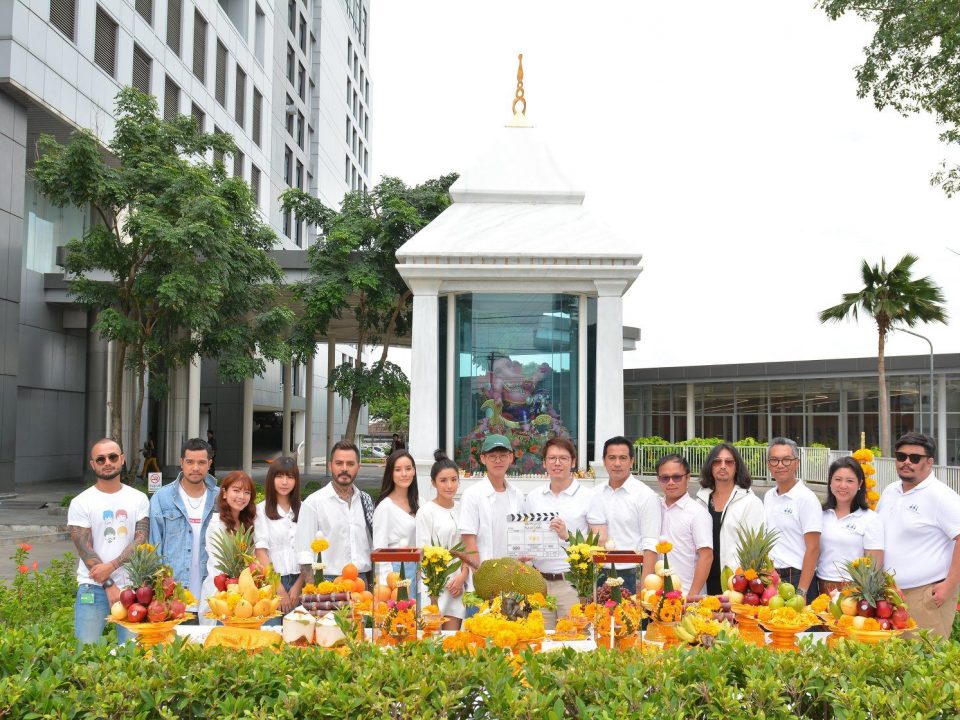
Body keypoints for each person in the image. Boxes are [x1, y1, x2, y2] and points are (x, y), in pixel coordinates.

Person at [877, 431, 960, 639]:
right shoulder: (890, 491)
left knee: (926, 662)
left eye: (914, 458)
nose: (906, 462)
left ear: (929, 462)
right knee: (892, 664)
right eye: (901, 456)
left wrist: (949, 586)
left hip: (924, 597)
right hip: (889, 596)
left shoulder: (941, 496)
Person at [68, 439, 150, 645]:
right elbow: (85, 550)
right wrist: (109, 584)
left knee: (134, 654)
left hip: (133, 588)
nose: (107, 462)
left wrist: (113, 567)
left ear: (122, 460)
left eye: (113, 457)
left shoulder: (138, 499)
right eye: (101, 459)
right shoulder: (81, 502)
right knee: (86, 653)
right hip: (92, 589)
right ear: (92, 464)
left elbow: (140, 539)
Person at [524, 437, 607, 628]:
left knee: (574, 640)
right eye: (552, 458)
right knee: (539, 640)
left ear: (573, 462)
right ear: (544, 463)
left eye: (563, 458)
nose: (557, 463)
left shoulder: (589, 496)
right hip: (539, 583)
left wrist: (568, 536)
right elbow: (528, 535)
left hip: (571, 584)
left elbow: (601, 541)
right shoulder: (534, 497)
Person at [149, 437, 219, 619]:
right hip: (173, 599)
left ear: (209, 464)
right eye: (190, 462)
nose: (195, 468)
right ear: (181, 463)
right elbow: (153, 548)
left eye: (201, 462)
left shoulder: (220, 498)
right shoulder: (162, 498)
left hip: (213, 598)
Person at [296, 440, 374, 584]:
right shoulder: (313, 502)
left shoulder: (365, 500)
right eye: (339, 463)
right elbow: (304, 552)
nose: (344, 468)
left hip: (361, 581)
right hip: (327, 581)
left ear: (358, 467)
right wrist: (314, 590)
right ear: (330, 465)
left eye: (350, 464)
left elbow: (371, 545)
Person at [593, 436, 660, 593]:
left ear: (631, 461)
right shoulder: (594, 494)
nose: (617, 463)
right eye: (612, 458)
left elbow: (650, 545)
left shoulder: (645, 495)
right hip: (599, 574)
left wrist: (644, 589)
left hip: (631, 575)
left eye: (623, 458)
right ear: (604, 461)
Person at [696, 442, 765, 594]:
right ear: (710, 466)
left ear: (737, 467)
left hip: (735, 585)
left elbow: (755, 551)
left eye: (729, 462)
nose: (722, 466)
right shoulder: (700, 500)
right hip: (703, 582)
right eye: (717, 461)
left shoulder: (750, 503)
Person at [415, 450, 469, 629]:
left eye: (454, 480)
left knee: (452, 641)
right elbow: (423, 552)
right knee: (432, 640)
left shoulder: (462, 509)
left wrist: (462, 576)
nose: (449, 485)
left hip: (457, 586)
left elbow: (466, 548)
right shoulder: (426, 512)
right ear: (433, 483)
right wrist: (438, 584)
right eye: (443, 480)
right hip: (434, 587)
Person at [763, 437, 822, 602]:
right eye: (774, 460)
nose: (780, 465)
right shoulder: (769, 496)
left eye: (786, 460)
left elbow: (813, 548)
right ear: (768, 465)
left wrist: (802, 592)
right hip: (773, 579)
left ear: (797, 463)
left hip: (798, 579)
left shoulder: (806, 499)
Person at [815, 457, 883, 595]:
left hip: (854, 593)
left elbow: (875, 567)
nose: (843, 485)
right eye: (838, 479)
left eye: (850, 481)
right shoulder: (819, 514)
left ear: (860, 484)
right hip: (820, 588)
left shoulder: (870, 519)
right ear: (830, 482)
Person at [459, 434, 525, 570]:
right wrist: (481, 574)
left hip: (512, 574)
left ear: (511, 458)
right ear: (483, 459)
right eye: (492, 456)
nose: (498, 460)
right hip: (484, 576)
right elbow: (468, 539)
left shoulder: (517, 495)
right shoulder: (472, 494)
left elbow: (521, 534)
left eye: (503, 456)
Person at [199, 471, 257, 624]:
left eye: (246, 492)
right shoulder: (216, 524)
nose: (241, 496)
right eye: (236, 490)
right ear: (224, 493)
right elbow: (219, 564)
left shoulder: (249, 523)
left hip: (246, 597)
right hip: (221, 594)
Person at [254, 457, 303, 624]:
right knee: (271, 635)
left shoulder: (305, 510)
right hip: (272, 584)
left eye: (290, 477)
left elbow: (309, 552)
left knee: (299, 638)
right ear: (271, 479)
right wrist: (279, 588)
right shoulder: (261, 510)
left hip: (300, 581)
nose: (284, 482)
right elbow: (261, 552)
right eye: (279, 476)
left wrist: (298, 585)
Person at [657, 454, 713, 599]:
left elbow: (706, 556)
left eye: (676, 477)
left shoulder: (697, 513)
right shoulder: (655, 509)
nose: (670, 482)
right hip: (657, 595)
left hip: (686, 594)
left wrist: (691, 596)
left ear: (687, 478)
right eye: (665, 478)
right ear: (658, 480)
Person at [373, 450, 420, 601]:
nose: (404, 474)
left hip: (417, 570)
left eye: (408, 468)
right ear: (390, 473)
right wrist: (386, 586)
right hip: (395, 571)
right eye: (398, 470)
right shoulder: (385, 507)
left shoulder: (420, 502)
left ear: (414, 471)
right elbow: (379, 549)